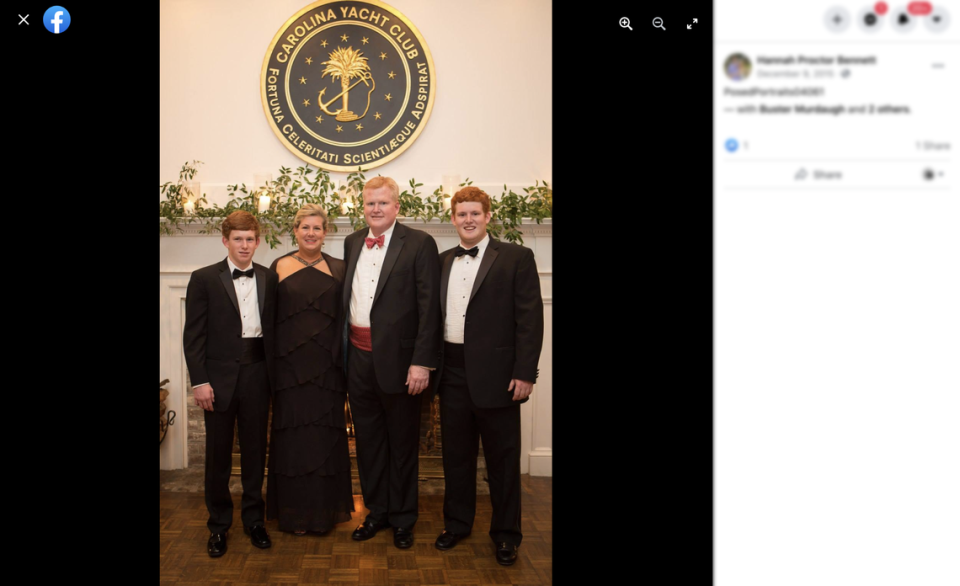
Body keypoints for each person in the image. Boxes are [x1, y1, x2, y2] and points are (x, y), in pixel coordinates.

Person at [433, 187, 544, 566]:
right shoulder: (443, 260)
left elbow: (530, 320)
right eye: (461, 214)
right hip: (451, 374)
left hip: (499, 378)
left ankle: (506, 536)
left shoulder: (516, 257)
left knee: (502, 462)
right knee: (456, 459)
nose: (468, 220)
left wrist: (525, 372)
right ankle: (458, 524)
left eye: (475, 214)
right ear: (453, 219)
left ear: (488, 216)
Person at [342, 176, 441, 549]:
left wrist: (422, 362)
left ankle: (403, 518)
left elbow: (430, 308)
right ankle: (377, 512)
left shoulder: (419, 243)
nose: (376, 209)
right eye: (370, 203)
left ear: (397, 206)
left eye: (383, 203)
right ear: (362, 207)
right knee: (368, 444)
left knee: (402, 445)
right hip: (358, 360)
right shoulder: (352, 242)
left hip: (402, 364)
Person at [182, 210, 278, 557]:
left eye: (250, 239)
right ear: (225, 241)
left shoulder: (269, 278)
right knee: (218, 456)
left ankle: (254, 521)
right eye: (238, 239)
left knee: (255, 453)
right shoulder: (204, 278)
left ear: (257, 241)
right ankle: (218, 526)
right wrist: (200, 382)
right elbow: (193, 337)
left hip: (257, 376)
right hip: (218, 380)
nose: (244, 245)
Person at [265, 204, 355, 535]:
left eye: (317, 228)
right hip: (289, 371)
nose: (311, 233)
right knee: (294, 440)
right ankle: (293, 513)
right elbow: (269, 321)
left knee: (323, 439)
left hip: (328, 371)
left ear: (326, 232)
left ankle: (323, 514)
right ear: (295, 230)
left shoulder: (340, 268)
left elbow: (348, 317)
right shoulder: (278, 266)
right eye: (305, 227)